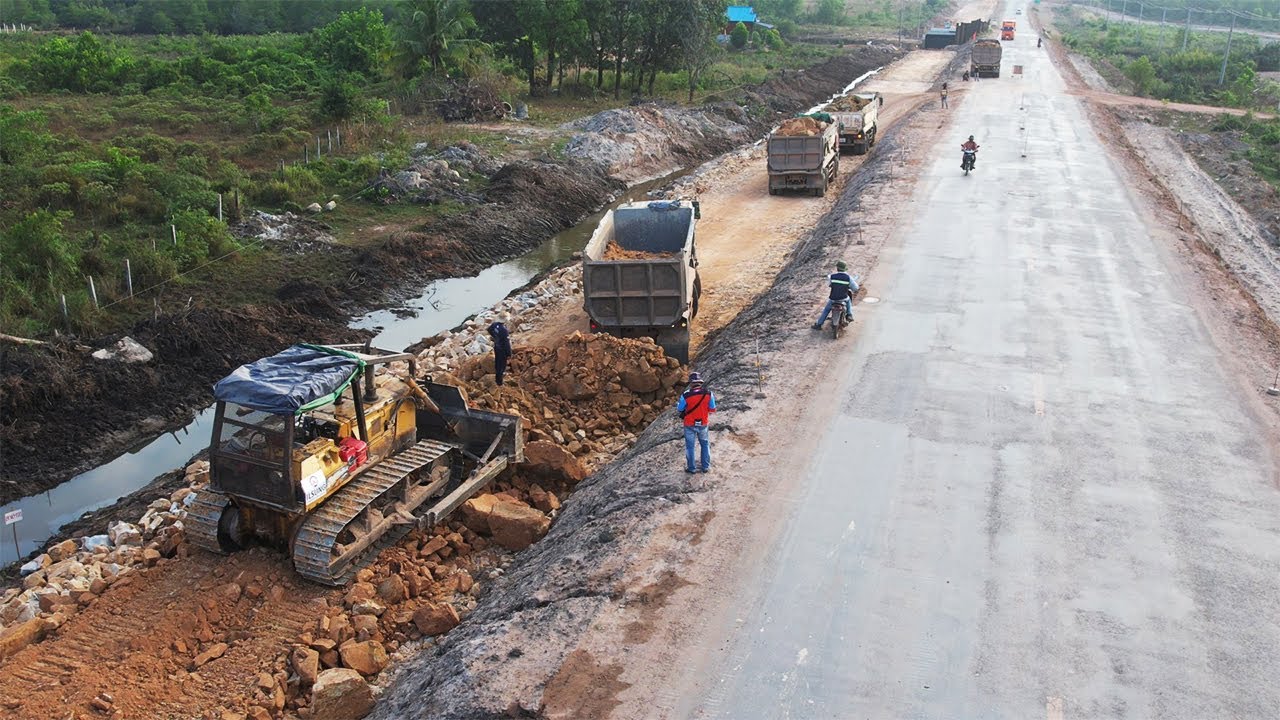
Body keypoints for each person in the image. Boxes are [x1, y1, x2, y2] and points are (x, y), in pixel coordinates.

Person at [676, 372, 716, 474]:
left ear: (691, 383)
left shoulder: (686, 395)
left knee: (690, 447)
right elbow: (712, 409)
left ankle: (692, 468)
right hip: (703, 423)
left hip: (689, 424)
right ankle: (705, 466)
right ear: (700, 382)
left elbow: (680, 408)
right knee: (705, 444)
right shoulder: (708, 394)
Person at [812, 261, 859, 330]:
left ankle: (819, 324)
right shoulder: (848, 278)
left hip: (833, 299)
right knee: (848, 300)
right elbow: (855, 288)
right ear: (845, 269)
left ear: (837, 268)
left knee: (826, 310)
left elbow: (829, 284)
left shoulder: (832, 277)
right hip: (843, 298)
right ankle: (849, 314)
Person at [487, 321, 512, 386]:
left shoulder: (495, 324)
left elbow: (489, 329)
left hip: (497, 346)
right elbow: (507, 344)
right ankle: (499, 382)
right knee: (502, 365)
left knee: (497, 362)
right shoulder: (504, 330)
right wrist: (509, 354)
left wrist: (495, 337)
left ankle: (497, 377)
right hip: (502, 349)